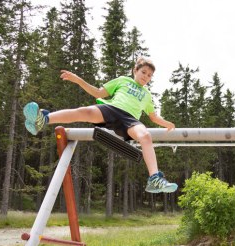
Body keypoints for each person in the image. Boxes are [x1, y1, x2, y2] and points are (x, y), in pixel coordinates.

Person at [23, 57, 178, 193]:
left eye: (149, 75)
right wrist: (77, 79)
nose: (146, 77)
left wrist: (167, 124)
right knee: (83, 111)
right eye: (143, 72)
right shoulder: (123, 80)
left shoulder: (147, 95)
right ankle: (44, 119)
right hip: (111, 109)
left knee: (145, 136)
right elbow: (98, 92)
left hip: (129, 120)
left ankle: (154, 179)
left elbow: (153, 116)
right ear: (135, 71)